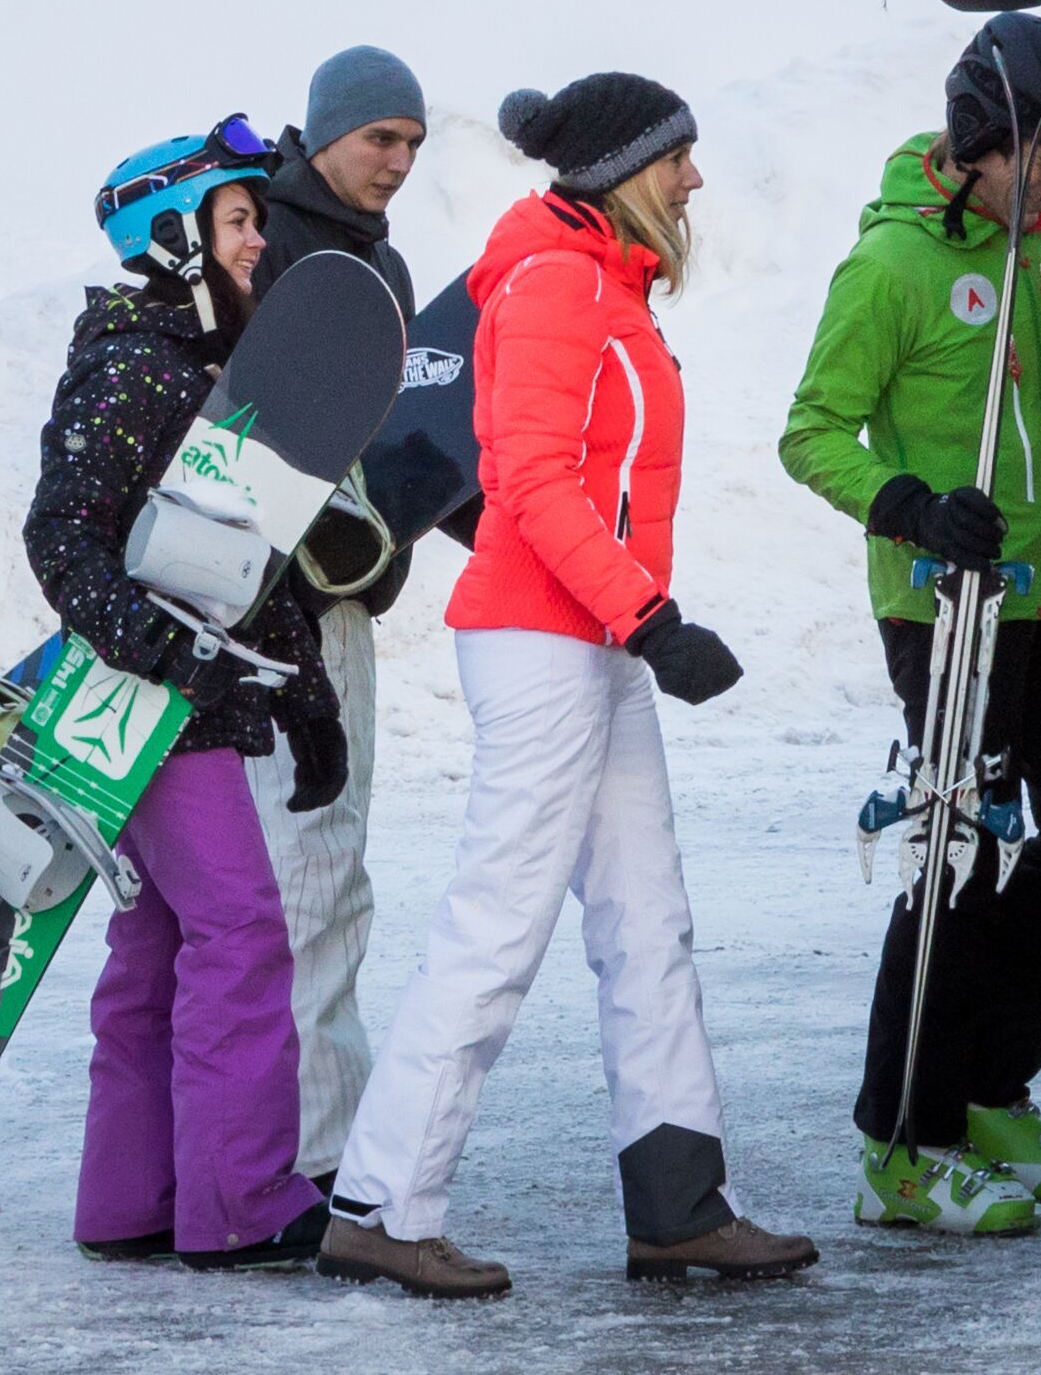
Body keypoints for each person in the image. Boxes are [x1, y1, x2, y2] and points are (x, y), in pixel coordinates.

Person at [312, 73, 816, 1295]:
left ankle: (680, 1204)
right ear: (625, 167)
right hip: (549, 639)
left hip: (596, 635)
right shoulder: (550, 281)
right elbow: (531, 481)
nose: (696, 179)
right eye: (679, 157)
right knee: (498, 922)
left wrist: (632, 621)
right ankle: (381, 1201)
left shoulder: (606, 281)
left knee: (649, 920)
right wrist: (648, 615)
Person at [778, 12, 1041, 1237]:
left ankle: (991, 1078)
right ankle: (905, 1141)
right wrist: (907, 505)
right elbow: (810, 431)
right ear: (980, 141)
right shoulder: (893, 268)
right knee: (957, 860)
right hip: (953, 607)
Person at [33, 122, 360, 1271]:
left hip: (170, 710)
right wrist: (173, 662)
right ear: (173, 240)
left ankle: (135, 1196)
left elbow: (245, 560)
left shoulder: (205, 370)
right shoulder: (131, 366)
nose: (257, 238)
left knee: (159, 945)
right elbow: (62, 543)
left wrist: (308, 697)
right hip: (144, 715)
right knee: (238, 929)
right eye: (237, 220)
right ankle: (241, 1200)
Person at [224, 44, 441, 1213]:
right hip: (277, 615)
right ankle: (316, 1158)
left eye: (413, 143)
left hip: (338, 600)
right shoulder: (276, 244)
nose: (399, 162)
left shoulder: (379, 261)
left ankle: (284, 1146)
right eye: (380, 140)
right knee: (308, 874)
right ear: (325, 134)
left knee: (313, 871)